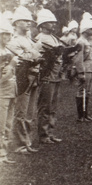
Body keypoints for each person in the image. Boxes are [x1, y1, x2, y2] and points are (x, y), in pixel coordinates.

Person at [6, 6, 41, 155]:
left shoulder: (29, 39)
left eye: (30, 21)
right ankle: (19, 144)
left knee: (30, 113)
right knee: (20, 111)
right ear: (16, 23)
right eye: (25, 21)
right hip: (22, 78)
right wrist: (33, 55)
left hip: (33, 77)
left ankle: (27, 142)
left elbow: (36, 57)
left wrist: (33, 55)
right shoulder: (13, 41)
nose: (29, 23)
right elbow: (25, 59)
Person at [34, 9, 65, 144]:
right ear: (43, 24)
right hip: (47, 76)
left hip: (56, 75)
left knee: (53, 107)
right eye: (50, 22)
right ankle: (43, 134)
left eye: (53, 22)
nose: (53, 24)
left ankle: (50, 132)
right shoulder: (40, 39)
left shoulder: (53, 37)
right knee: (45, 107)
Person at [0, 17, 17, 164]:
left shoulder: (7, 50)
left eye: (8, 34)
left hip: (11, 91)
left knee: (8, 124)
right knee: (1, 123)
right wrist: (11, 65)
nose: (7, 37)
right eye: (4, 34)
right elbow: (2, 77)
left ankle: (4, 153)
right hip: (2, 92)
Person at [73, 18, 92, 122]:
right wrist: (80, 72)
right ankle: (80, 116)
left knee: (87, 92)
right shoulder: (80, 41)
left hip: (89, 68)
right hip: (84, 69)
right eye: (91, 29)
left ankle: (85, 114)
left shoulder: (86, 41)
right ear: (85, 30)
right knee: (81, 91)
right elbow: (79, 59)